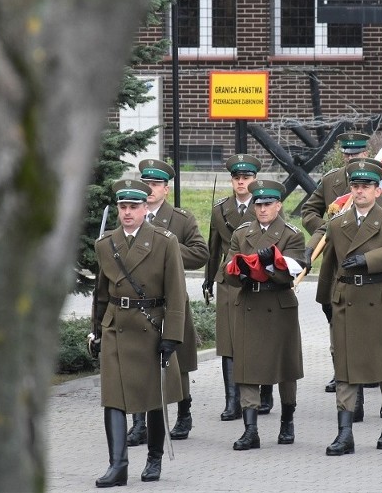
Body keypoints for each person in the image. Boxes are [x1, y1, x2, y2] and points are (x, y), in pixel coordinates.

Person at [315, 160, 382, 455]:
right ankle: (344, 434)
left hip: (379, 298)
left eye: (365, 186)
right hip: (347, 299)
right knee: (345, 366)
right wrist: (325, 299)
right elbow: (329, 264)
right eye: (355, 186)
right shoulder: (337, 222)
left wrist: (369, 260)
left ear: (376, 189)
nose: (359, 191)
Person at [91, 179, 187, 486]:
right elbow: (101, 294)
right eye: (123, 207)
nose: (128, 213)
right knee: (113, 398)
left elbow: (176, 291)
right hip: (116, 328)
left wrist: (172, 334)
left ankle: (154, 458)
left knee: (153, 397)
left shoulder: (164, 241)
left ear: (145, 208)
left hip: (151, 326)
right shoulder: (105, 244)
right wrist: (95, 332)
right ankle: (118, 465)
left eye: (134, 207)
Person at [129, 159, 209, 442]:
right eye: (146, 183)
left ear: (166, 188)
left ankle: (184, 413)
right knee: (138, 362)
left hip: (169, 298)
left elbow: (201, 254)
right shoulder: (131, 214)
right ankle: (139, 423)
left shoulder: (181, 218)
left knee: (178, 360)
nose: (149, 189)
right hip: (137, 300)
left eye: (155, 184)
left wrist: (168, 249)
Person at [222, 179, 306, 450]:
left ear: (279, 205)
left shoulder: (292, 234)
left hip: (278, 304)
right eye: (258, 204)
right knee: (247, 368)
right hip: (249, 302)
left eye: (268, 204)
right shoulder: (242, 233)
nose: (262, 209)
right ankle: (251, 430)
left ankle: (287, 422)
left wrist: (269, 266)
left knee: (285, 368)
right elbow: (229, 270)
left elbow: (292, 272)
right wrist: (241, 272)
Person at [204, 154, 275, 421]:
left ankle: (265, 394)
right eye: (237, 178)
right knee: (229, 343)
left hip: (259, 280)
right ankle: (232, 401)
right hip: (230, 281)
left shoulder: (265, 205)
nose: (241, 182)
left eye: (246, 178)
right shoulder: (220, 209)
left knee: (261, 339)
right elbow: (213, 250)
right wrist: (208, 279)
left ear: (255, 179)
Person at [301, 131, 371, 394]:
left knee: (365, 319)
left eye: (356, 154)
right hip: (334, 262)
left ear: (365, 154)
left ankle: (367, 369)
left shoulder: (375, 180)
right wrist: (326, 230)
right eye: (347, 154)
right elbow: (308, 211)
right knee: (335, 316)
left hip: (364, 263)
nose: (351, 158)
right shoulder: (331, 181)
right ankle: (340, 370)